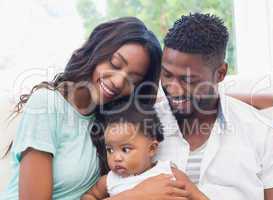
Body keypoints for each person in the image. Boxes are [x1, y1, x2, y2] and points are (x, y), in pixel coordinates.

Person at [0, 17, 177, 200]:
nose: (118, 82)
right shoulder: (47, 104)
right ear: (95, 51)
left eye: (132, 79)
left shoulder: (112, 123)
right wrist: (137, 195)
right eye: (115, 65)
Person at [153, 12, 273, 200]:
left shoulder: (261, 133)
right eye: (166, 74)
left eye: (188, 80)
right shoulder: (143, 125)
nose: (174, 89)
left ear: (220, 73)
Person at [81, 104, 208, 200]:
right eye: (110, 150)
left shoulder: (168, 173)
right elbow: (88, 196)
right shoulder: (109, 180)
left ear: (151, 149)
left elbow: (199, 197)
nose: (116, 157)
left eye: (125, 149)